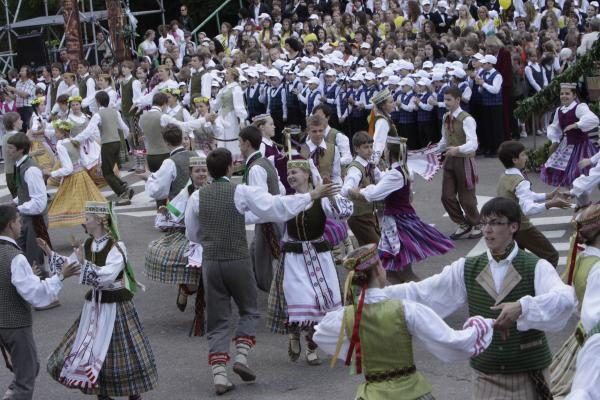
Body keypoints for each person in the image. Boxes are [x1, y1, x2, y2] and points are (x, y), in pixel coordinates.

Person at [383, 197, 576, 398]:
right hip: (487, 373)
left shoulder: (535, 266)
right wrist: (375, 295)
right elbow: (423, 292)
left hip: (529, 371)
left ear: (514, 227)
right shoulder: (467, 267)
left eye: (495, 223)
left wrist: (522, 307)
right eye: (484, 223)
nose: (487, 229)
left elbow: (564, 298)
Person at [184, 148, 339, 395]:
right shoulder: (240, 191)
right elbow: (276, 207)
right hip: (237, 259)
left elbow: (192, 233)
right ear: (229, 169)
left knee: (218, 319)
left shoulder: (197, 198)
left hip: (212, 263)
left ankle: (219, 374)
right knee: (248, 309)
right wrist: (311, 195)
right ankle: (242, 357)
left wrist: (212, 238)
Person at [313, 243, 495, 400]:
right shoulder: (407, 310)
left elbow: (321, 334)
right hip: (412, 393)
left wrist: (357, 350)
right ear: (378, 270)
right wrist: (483, 325)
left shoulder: (346, 317)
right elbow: (451, 341)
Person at [46, 201, 158, 400]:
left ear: (98, 221)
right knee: (95, 348)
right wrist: (49, 253)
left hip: (116, 305)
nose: (84, 221)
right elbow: (71, 265)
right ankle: (101, 392)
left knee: (122, 350)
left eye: (87, 218)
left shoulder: (117, 246)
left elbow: (107, 275)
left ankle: (133, 392)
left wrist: (84, 263)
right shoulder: (88, 244)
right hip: (95, 305)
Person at [266, 158, 352, 366]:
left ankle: (311, 347)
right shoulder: (287, 200)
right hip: (295, 259)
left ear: (306, 175)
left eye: (295, 172)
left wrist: (331, 195)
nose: (291, 176)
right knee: (300, 299)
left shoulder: (321, 200)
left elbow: (344, 213)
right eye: (289, 174)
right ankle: (294, 333)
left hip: (320, 257)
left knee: (319, 304)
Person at [348, 136, 454, 283]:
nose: (383, 151)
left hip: (399, 224)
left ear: (390, 153)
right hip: (396, 221)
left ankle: (422, 298)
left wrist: (357, 192)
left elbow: (374, 194)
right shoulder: (399, 170)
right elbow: (381, 184)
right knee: (391, 272)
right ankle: (405, 299)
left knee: (404, 273)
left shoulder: (396, 173)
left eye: (385, 149)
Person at [0, 204, 79, 400]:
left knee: (29, 366)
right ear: (10, 225)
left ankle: (11, 394)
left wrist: (30, 277)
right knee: (26, 376)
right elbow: (36, 295)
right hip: (15, 323)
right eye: (18, 221)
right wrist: (61, 276)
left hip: (3, 321)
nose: (21, 225)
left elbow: (12, 282)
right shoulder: (15, 257)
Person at [143, 125, 200, 310]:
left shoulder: (170, 162)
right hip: (202, 208)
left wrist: (149, 178)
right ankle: (194, 287)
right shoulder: (197, 155)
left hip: (181, 213)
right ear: (183, 138)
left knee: (183, 252)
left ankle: (186, 287)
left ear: (166, 143)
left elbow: (157, 190)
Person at [496, 140, 571, 267]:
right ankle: (540, 284)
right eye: (523, 155)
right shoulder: (520, 181)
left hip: (506, 226)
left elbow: (525, 196)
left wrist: (548, 196)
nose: (526, 157)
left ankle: (522, 283)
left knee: (517, 260)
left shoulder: (505, 176)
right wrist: (550, 204)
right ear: (515, 160)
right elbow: (527, 208)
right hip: (521, 227)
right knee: (551, 255)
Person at [551, 204, 600, 397]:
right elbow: (594, 319)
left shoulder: (584, 257)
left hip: (579, 338)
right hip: (592, 342)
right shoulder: (598, 269)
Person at [239, 126, 285, 292]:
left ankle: (276, 296)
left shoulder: (256, 168)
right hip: (272, 219)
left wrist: (241, 217)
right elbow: (281, 189)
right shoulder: (265, 161)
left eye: (240, 142)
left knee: (263, 265)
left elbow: (260, 204)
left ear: (247, 143)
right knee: (254, 256)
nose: (238, 146)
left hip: (267, 223)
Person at [436, 87, 481, 240]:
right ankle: (463, 222)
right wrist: (430, 151)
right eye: (445, 99)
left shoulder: (466, 119)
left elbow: (473, 143)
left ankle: (477, 223)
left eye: (449, 99)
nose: (446, 102)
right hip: (450, 160)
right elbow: (444, 141)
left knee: (466, 198)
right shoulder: (445, 117)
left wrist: (458, 149)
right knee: (446, 196)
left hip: (464, 161)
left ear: (458, 100)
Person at [47, 120, 106, 228]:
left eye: (56, 132)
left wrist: (52, 173)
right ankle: (95, 227)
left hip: (72, 177)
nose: (55, 134)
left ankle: (92, 228)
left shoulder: (61, 146)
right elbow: (83, 161)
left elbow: (68, 169)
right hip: (82, 175)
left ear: (61, 133)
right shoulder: (73, 141)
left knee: (70, 204)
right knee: (88, 203)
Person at [77, 91, 133, 205]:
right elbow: (123, 127)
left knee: (106, 172)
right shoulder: (115, 112)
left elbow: (89, 130)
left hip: (108, 144)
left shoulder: (98, 115)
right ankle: (123, 186)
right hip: (117, 143)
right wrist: (127, 136)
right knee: (110, 169)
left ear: (98, 102)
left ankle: (123, 193)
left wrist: (76, 139)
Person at [541, 83, 600, 188]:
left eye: (567, 93)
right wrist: (555, 140)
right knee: (568, 177)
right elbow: (555, 127)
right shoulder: (559, 110)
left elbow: (593, 119)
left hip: (581, 147)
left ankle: (582, 202)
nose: (564, 96)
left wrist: (577, 125)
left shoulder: (580, 107)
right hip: (565, 146)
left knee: (580, 178)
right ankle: (580, 203)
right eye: (561, 93)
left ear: (574, 96)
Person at [6, 133, 51, 270]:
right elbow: (24, 191)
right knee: (22, 257)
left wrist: (19, 208)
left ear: (21, 150)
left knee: (35, 262)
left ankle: (43, 287)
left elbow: (39, 203)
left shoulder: (31, 169)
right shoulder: (20, 165)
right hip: (26, 219)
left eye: (11, 148)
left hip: (35, 221)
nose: (8, 151)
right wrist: (14, 202)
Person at [342, 131, 381, 246]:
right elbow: (345, 189)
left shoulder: (369, 164)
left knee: (367, 253)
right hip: (358, 217)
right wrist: (351, 190)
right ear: (356, 149)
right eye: (365, 147)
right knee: (377, 248)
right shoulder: (355, 169)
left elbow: (382, 178)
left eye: (370, 147)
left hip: (369, 214)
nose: (370, 150)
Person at [213, 68, 248, 165]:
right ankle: (223, 160)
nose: (225, 75)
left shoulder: (236, 88)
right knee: (222, 137)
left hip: (231, 117)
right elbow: (216, 104)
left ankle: (235, 161)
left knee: (231, 137)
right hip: (222, 116)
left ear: (233, 76)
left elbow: (239, 105)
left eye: (227, 73)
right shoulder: (224, 88)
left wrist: (241, 120)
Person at [2, 112, 21, 197]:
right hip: (16, 173)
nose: (22, 121)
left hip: (9, 172)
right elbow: (19, 155)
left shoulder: (5, 136)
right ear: (14, 123)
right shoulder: (16, 136)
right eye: (19, 120)